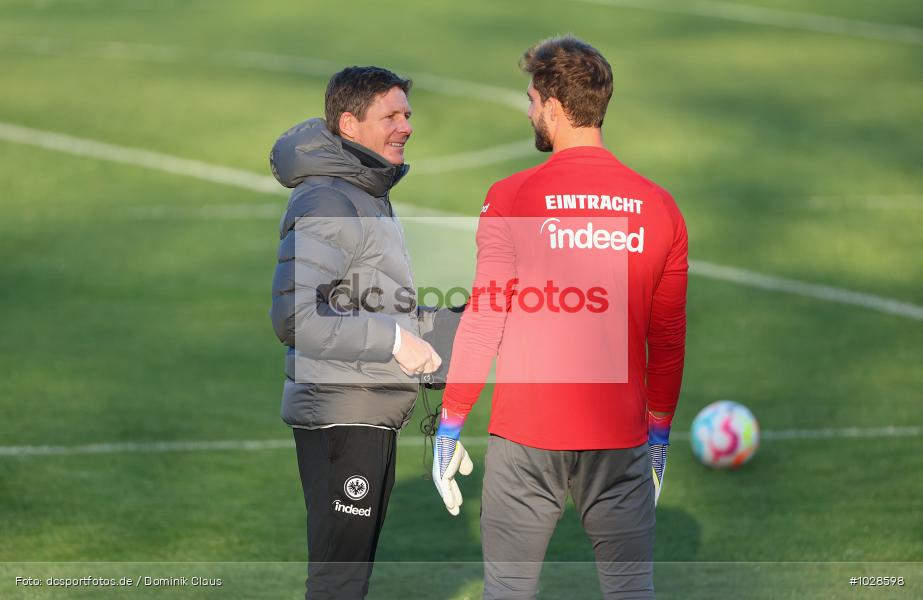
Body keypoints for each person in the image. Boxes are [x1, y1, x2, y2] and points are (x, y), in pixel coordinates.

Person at [431, 36, 688, 599]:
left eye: (530, 100)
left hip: (526, 438)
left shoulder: (511, 195)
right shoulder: (659, 205)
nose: (528, 112)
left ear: (552, 103)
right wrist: (660, 435)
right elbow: (666, 341)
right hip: (620, 440)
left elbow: (485, 318)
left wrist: (451, 421)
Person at [269, 66, 441, 600]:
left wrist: (466, 329)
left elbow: (372, 300)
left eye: (407, 115)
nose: (405, 126)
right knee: (339, 582)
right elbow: (295, 316)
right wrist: (393, 341)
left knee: (347, 580)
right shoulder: (330, 200)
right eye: (390, 115)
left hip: (366, 409)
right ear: (349, 123)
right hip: (342, 413)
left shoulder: (362, 193)